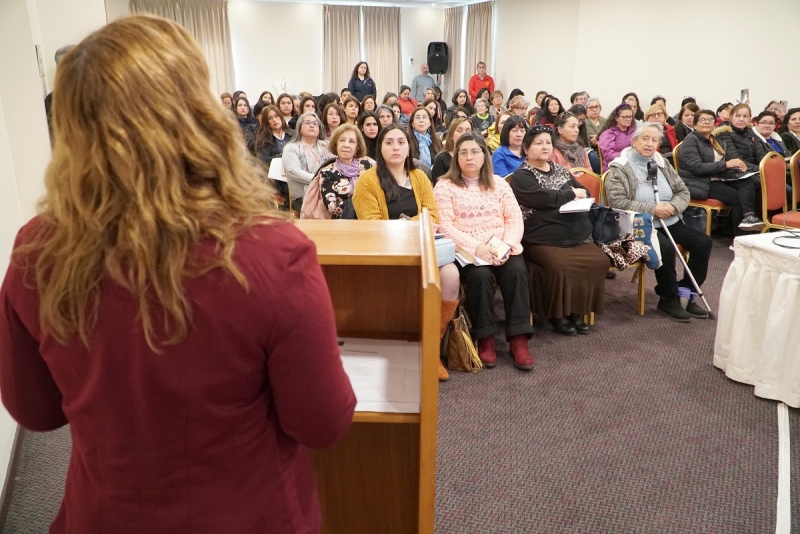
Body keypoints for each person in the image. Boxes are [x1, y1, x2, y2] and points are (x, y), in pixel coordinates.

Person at [0, 16, 356, 533]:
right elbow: (322, 422)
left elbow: (36, 412)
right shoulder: (274, 253)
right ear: (198, 115)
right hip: (253, 516)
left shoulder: (36, 250)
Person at [352, 125, 460, 380]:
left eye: (401, 142)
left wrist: (403, 223)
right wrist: (413, 222)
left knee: (451, 275)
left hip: (421, 245)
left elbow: (433, 217)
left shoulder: (420, 176)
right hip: (384, 250)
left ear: (409, 146)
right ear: (379, 148)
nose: (396, 147)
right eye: (389, 142)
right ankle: (395, 348)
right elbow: (372, 225)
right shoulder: (367, 181)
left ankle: (431, 348)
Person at [434, 133, 533, 369]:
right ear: (456, 157)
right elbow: (445, 226)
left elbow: (514, 218)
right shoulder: (445, 186)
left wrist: (506, 245)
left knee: (517, 272)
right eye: (463, 152)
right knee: (479, 277)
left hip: (501, 245)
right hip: (468, 249)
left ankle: (519, 339)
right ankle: (485, 338)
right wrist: (476, 247)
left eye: (475, 151)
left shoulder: (499, 184)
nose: (469, 157)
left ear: (484, 155)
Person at [508, 124, 610, 335]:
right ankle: (557, 314)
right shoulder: (521, 175)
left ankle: (576, 310)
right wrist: (569, 194)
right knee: (559, 264)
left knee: (599, 260)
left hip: (574, 232)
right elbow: (543, 198)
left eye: (548, 142)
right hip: (541, 237)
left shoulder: (562, 170)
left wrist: (570, 193)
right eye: (538, 143)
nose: (545, 147)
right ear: (526, 149)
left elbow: (583, 191)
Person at [606, 122, 713, 322]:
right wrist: (652, 209)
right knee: (664, 248)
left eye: (654, 140)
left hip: (670, 220)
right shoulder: (620, 167)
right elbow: (617, 202)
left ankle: (687, 293)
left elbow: (683, 192)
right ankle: (668, 298)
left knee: (704, 243)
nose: (650, 143)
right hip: (640, 226)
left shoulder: (662, 163)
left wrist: (673, 207)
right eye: (645, 138)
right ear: (634, 141)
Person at [677, 109, 764, 231]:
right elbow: (697, 168)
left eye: (710, 120)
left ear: (715, 123)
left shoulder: (716, 141)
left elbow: (728, 161)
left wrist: (738, 167)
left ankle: (749, 216)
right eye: (702, 120)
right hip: (699, 182)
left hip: (717, 178)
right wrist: (726, 165)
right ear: (695, 124)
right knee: (738, 197)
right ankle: (739, 238)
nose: (707, 122)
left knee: (747, 181)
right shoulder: (690, 141)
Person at [308, 124, 374, 219]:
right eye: (342, 140)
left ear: (357, 147)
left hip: (370, 218)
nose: (346, 145)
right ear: (336, 144)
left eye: (351, 141)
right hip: (342, 223)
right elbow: (332, 207)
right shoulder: (327, 172)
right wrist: (360, 201)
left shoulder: (367, 165)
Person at [283, 111, 332, 213]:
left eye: (315, 123)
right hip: (304, 196)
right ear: (299, 127)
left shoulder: (327, 145)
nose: (312, 126)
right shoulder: (291, 147)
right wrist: (320, 180)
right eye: (308, 123)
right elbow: (294, 171)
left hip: (329, 191)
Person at [432, 117, 473, 183]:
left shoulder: (476, 157)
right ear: (451, 134)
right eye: (459, 130)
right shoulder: (441, 159)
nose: (464, 134)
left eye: (468, 131)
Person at [598, 103, 635, 171]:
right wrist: (629, 155)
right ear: (616, 118)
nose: (628, 119)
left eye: (630, 117)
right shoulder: (608, 134)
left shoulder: (635, 132)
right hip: (614, 168)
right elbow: (608, 156)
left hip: (633, 166)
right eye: (624, 117)